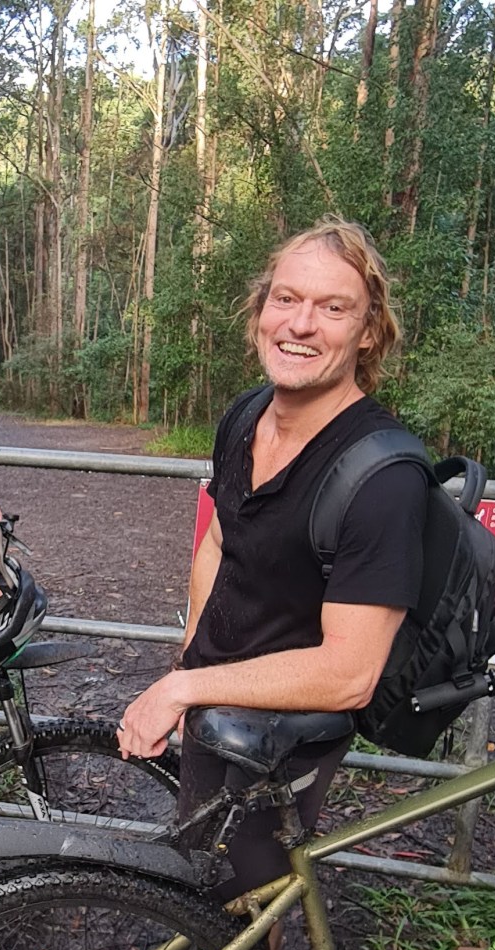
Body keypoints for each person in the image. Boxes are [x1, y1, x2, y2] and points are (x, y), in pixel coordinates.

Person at [116, 216, 426, 913]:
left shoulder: (384, 478)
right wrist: (189, 666)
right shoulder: (246, 416)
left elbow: (349, 673)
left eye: (333, 307)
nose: (302, 323)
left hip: (292, 724)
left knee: (238, 904)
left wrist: (181, 691)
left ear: (368, 332)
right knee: (209, 883)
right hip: (213, 687)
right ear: (259, 311)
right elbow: (222, 542)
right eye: (286, 298)